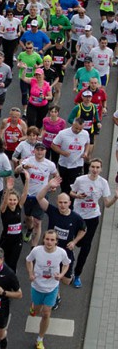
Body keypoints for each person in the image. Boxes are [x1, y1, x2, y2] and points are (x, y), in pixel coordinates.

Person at [37, 178, 86, 306]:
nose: (62, 205)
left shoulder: (76, 218)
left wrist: (74, 242)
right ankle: (55, 295)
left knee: (66, 280)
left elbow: (83, 230)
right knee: (52, 275)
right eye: (60, 202)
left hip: (66, 252)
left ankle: (59, 284)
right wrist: (48, 186)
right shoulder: (52, 211)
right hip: (50, 251)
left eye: (65, 202)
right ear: (57, 202)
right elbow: (39, 198)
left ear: (69, 203)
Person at [70, 158, 118, 288]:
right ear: (89, 168)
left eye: (97, 167)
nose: (95, 170)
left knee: (86, 247)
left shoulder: (103, 183)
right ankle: (68, 265)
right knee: (75, 243)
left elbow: (107, 204)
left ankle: (77, 274)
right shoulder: (80, 180)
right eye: (93, 167)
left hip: (92, 217)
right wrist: (77, 196)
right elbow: (71, 192)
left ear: (101, 169)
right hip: (78, 216)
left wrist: (115, 198)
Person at [26, 231, 70, 349]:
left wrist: (61, 275)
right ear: (43, 240)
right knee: (36, 311)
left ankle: (40, 339)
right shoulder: (36, 250)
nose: (49, 242)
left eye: (52, 240)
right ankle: (33, 307)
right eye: (47, 239)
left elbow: (66, 264)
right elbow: (28, 260)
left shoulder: (61, 252)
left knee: (46, 313)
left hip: (52, 288)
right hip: (37, 287)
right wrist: (30, 273)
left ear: (56, 241)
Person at [51, 118, 90, 195]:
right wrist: (62, 152)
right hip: (64, 164)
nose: (78, 130)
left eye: (80, 129)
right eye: (76, 128)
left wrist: (86, 152)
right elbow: (53, 145)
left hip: (77, 164)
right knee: (64, 185)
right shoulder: (63, 133)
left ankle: (71, 200)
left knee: (74, 185)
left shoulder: (85, 134)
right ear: (72, 124)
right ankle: (64, 197)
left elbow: (87, 143)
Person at [0, 176, 29, 272]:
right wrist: (8, 190)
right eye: (10, 200)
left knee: (13, 262)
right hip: (6, 240)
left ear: (17, 200)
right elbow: (4, 202)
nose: (12, 202)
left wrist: (27, 180)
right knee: (7, 262)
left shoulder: (19, 207)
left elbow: (25, 194)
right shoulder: (4, 209)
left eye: (14, 200)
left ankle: (12, 278)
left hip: (17, 240)